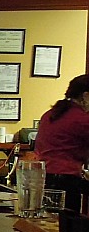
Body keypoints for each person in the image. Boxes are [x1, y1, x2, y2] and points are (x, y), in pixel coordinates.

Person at [34, 73, 89, 211]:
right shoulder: (81, 119)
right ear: (86, 96)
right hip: (66, 181)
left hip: (44, 178)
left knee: (48, 221)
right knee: (67, 222)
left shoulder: (49, 114)